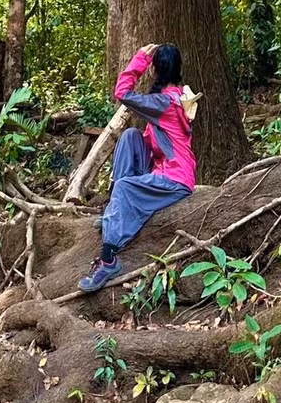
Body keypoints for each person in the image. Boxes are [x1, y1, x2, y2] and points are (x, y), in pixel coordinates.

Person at [78, 42, 198, 293]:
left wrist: (140, 60)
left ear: (155, 69)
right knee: (131, 136)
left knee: (124, 187)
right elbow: (157, 140)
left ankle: (108, 260)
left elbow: (122, 92)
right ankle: (114, 210)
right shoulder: (179, 95)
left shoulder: (163, 102)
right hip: (169, 169)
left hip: (174, 179)